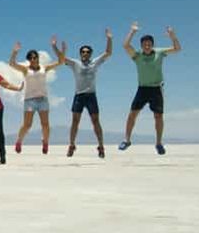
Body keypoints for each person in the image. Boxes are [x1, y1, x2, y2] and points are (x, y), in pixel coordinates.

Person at [119, 22, 182, 155]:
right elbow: (125, 45)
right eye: (144, 44)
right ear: (141, 45)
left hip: (156, 89)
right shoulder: (137, 55)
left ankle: (158, 143)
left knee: (158, 116)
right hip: (142, 89)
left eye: (149, 43)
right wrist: (132, 31)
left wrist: (172, 36)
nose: (147, 45)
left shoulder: (159, 52)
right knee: (132, 115)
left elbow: (177, 49)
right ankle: (127, 140)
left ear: (152, 44)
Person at [52, 28, 113, 158]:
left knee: (96, 121)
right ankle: (72, 145)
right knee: (75, 121)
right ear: (80, 53)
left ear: (90, 54)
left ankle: (101, 146)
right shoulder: (75, 63)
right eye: (83, 52)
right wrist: (54, 46)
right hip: (79, 96)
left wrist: (109, 38)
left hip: (91, 96)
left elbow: (108, 52)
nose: (85, 53)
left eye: (87, 52)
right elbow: (61, 58)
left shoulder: (95, 62)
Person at [9, 37, 64, 154]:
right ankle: (19, 141)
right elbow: (12, 64)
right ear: (29, 60)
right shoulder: (25, 70)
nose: (33, 59)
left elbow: (60, 61)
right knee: (27, 125)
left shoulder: (44, 68)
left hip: (43, 99)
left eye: (35, 57)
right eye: (31, 58)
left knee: (45, 124)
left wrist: (55, 47)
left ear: (38, 58)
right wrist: (15, 51)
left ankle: (45, 142)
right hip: (30, 100)